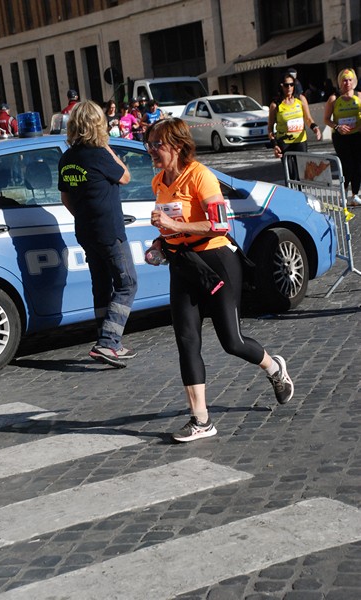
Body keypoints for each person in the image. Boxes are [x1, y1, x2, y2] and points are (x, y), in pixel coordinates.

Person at [144, 118, 294, 442]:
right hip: (183, 264)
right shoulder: (159, 182)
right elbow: (170, 228)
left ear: (178, 146)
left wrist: (174, 224)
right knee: (186, 340)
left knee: (232, 342)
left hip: (217, 262)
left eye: (158, 144)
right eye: (150, 143)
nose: (151, 149)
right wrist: (158, 245)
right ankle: (201, 420)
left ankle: (274, 368)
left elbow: (220, 226)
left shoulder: (201, 176)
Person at [58, 100, 138, 368]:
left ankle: (109, 342)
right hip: (109, 230)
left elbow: (65, 197)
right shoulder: (99, 154)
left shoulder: (67, 158)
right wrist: (107, 147)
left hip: (86, 231)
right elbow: (125, 177)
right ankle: (108, 342)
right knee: (127, 283)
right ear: (97, 125)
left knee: (102, 286)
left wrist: (83, 216)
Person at [268, 71, 321, 181]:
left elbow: (308, 118)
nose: (289, 88)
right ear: (281, 86)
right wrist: (274, 145)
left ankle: (301, 196)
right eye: (286, 85)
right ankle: (292, 195)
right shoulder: (275, 105)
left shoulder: (300, 99)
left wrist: (315, 128)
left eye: (292, 85)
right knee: (290, 175)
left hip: (300, 141)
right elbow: (270, 128)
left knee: (302, 174)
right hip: (285, 143)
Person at [324, 68, 361, 207]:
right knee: (347, 165)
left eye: (350, 80)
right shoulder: (334, 99)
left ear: (354, 81)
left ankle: (355, 195)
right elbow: (326, 119)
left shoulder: (359, 96)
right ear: (340, 82)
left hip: (357, 135)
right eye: (344, 80)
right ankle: (343, 194)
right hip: (341, 137)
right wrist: (337, 127)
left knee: (358, 165)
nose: (347, 83)